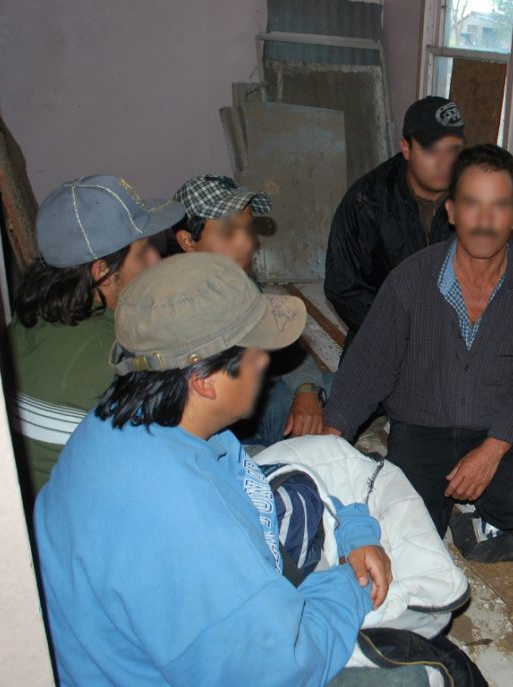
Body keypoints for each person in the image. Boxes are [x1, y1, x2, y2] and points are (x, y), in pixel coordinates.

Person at [35, 252, 396, 686]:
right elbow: (284, 665)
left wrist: (348, 523)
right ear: (203, 381)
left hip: (120, 648)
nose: (266, 361)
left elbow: (246, 484)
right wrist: (350, 584)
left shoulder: (121, 414)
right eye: (256, 350)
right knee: (427, 670)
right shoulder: (190, 525)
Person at [323, 144, 513, 560]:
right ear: (450, 210)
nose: (485, 221)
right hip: (422, 428)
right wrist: (332, 436)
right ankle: (450, 509)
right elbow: (368, 365)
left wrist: (492, 450)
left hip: (493, 429)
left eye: (499, 206)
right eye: (472, 204)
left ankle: (474, 512)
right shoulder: (410, 280)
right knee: (404, 537)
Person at [8, 175, 184, 495]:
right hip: (82, 522)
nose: (157, 260)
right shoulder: (114, 355)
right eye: (144, 252)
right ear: (102, 271)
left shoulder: (24, 322)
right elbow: (175, 461)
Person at [172, 174, 328, 444]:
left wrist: (307, 390)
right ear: (188, 241)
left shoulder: (240, 283)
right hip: (214, 436)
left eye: (247, 227)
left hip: (259, 408)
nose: (246, 242)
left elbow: (287, 351)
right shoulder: (173, 308)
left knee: (357, 383)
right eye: (228, 231)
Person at [325, 96, 465, 349]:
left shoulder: (472, 198)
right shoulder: (367, 200)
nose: (445, 163)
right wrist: (401, 336)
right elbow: (344, 287)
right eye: (432, 150)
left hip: (449, 344)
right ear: (406, 148)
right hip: (382, 338)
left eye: (453, 149)